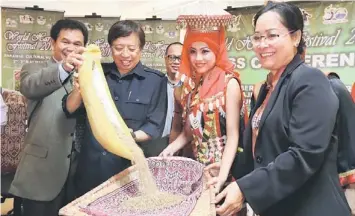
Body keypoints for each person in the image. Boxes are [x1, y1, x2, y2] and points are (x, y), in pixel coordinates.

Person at [207, 2, 351, 216]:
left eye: (272, 35)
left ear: (296, 37)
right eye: (257, 37)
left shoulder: (309, 81)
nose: (262, 44)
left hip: (309, 207)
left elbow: (303, 155)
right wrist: (231, 170)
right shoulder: (268, 87)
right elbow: (265, 151)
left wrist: (246, 189)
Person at [63, 20, 167, 197]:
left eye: (132, 49)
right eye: (118, 48)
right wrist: (78, 88)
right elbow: (69, 109)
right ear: (110, 47)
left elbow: (154, 126)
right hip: (90, 167)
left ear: (141, 48)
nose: (125, 54)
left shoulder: (155, 81)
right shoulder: (96, 73)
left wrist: (129, 136)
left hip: (126, 167)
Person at [159, 13, 248, 201]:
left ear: (218, 50)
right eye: (192, 51)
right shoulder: (193, 87)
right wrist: (170, 150)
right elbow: (190, 132)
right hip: (201, 173)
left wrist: (223, 176)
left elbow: (234, 136)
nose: (197, 58)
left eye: (205, 51)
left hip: (227, 173)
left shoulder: (228, 84)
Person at [9, 19, 88, 216]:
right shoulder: (34, 69)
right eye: (65, 42)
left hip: (79, 172)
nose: (71, 48)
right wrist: (65, 68)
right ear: (52, 43)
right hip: (42, 172)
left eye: (77, 44)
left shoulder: (89, 73)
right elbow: (30, 87)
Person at [161, 42, 183, 144]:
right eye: (172, 57)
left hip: (183, 142)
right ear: (165, 59)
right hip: (157, 142)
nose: (176, 62)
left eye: (180, 58)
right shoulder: (156, 84)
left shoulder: (191, 87)